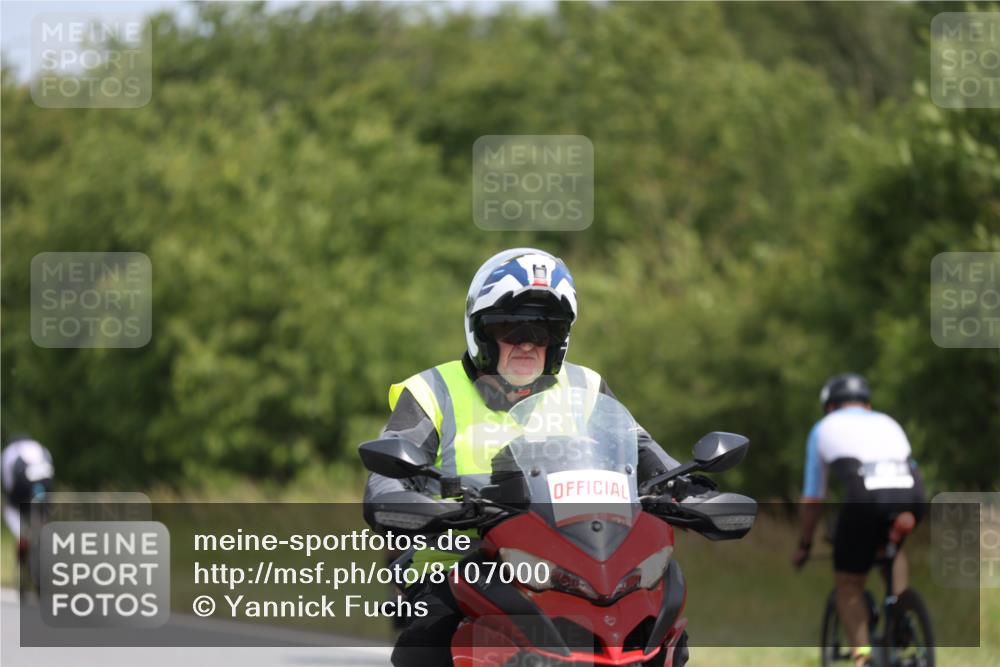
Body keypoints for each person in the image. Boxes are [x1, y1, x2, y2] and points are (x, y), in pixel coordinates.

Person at [363, 248, 692, 667]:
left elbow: (649, 457)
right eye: (509, 327)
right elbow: (385, 475)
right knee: (426, 645)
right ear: (480, 331)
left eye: (543, 330)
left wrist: (692, 489)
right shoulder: (433, 390)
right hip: (462, 564)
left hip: (580, 568)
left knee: (660, 634)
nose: (526, 343)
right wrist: (399, 498)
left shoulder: (586, 389)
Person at [791, 373, 926, 667]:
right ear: (867, 403)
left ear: (830, 406)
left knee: (849, 585)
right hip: (912, 495)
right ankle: (901, 617)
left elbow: (814, 499)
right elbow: (909, 465)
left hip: (866, 497)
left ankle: (863, 658)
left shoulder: (822, 428)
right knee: (893, 547)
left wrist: (804, 544)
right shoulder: (888, 422)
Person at [1, 436, 55, 587]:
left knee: (10, 511)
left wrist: (12, 500)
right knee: (43, 519)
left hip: (22, 487)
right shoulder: (40, 447)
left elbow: (8, 484)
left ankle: (22, 538)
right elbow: (51, 470)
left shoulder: (9, 452)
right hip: (45, 485)